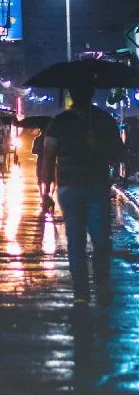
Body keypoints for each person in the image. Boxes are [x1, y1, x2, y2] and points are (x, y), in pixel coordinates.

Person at [41, 81, 125, 305]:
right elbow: (118, 153)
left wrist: (45, 192)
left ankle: (84, 291)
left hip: (76, 188)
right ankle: (94, 286)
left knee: (78, 240)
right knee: (97, 239)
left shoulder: (61, 122)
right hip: (90, 187)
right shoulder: (103, 119)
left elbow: (48, 157)